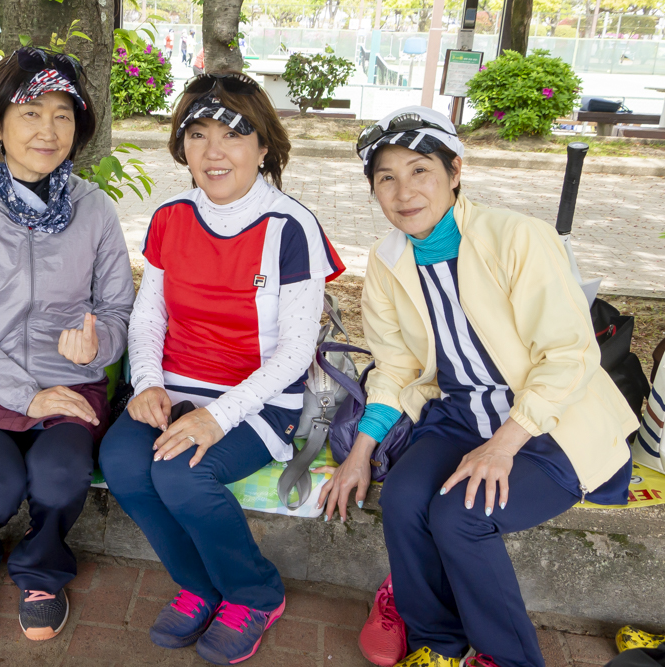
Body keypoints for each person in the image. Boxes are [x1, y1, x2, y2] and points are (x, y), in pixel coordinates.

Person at [316, 106, 637, 667]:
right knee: (405, 499)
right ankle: (437, 644)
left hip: (550, 422)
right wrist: (359, 453)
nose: (404, 192)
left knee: (461, 515)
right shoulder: (388, 261)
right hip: (461, 415)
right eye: (386, 178)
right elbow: (396, 369)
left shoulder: (517, 237)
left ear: (455, 171)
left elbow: (569, 354)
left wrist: (503, 445)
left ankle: (506, 658)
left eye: (420, 170)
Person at [99, 72, 344, 666]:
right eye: (198, 134)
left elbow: (295, 353)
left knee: (183, 475)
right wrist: (147, 383)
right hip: (174, 385)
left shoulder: (290, 227)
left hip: (261, 397)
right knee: (122, 463)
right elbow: (149, 316)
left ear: (263, 146)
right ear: (181, 146)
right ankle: (200, 585)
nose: (214, 152)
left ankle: (255, 592)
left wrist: (217, 416)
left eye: (233, 135)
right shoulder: (170, 217)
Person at [0, 46, 134, 644]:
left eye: (63, 115)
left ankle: (41, 570)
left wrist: (97, 347)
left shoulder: (94, 209)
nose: (49, 130)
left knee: (61, 477)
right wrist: (24, 394)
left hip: (70, 383)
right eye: (32, 113)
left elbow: (118, 311)